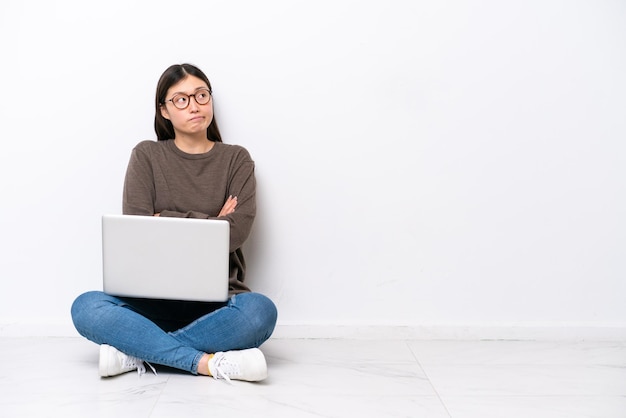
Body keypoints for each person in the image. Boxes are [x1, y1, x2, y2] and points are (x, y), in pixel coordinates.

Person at [71, 63, 277, 382]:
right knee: (86, 307)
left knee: (261, 312)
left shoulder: (236, 159)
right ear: (164, 111)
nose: (194, 105)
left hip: (218, 303)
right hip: (150, 302)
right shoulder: (147, 156)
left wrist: (164, 217)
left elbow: (236, 232)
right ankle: (205, 363)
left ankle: (136, 352)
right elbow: (139, 230)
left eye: (201, 95)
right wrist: (213, 222)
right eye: (181, 99)